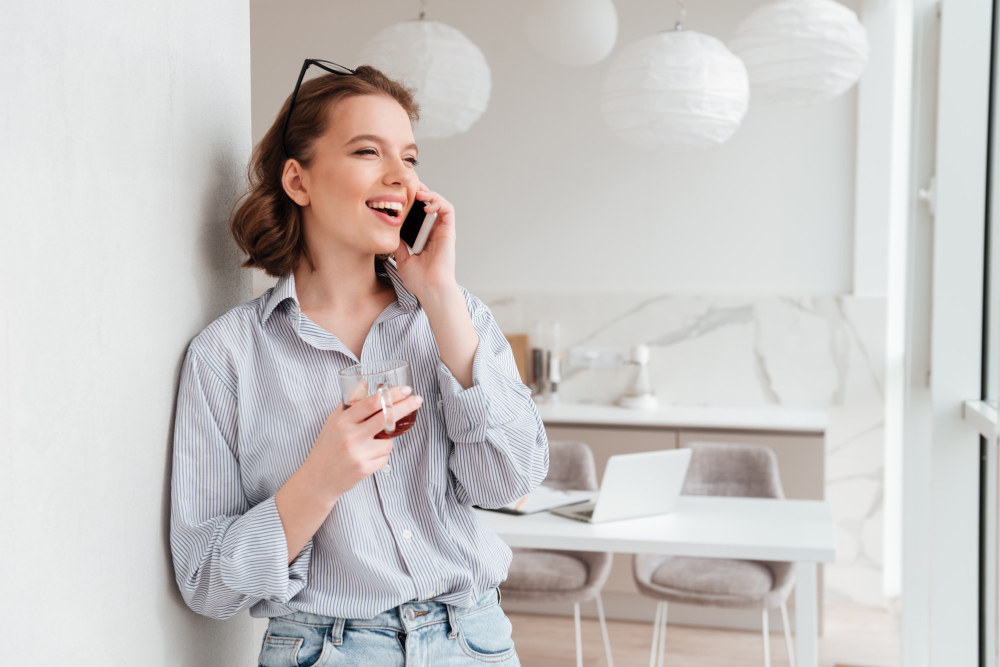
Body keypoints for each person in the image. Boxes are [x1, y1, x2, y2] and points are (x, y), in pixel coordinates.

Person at [169, 62, 549, 666]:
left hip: (472, 640)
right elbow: (206, 581)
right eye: (368, 151)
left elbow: (512, 483)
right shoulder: (227, 356)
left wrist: (442, 298)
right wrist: (318, 481)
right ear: (298, 180)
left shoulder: (453, 313)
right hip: (323, 651)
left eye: (411, 158)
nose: (400, 177)